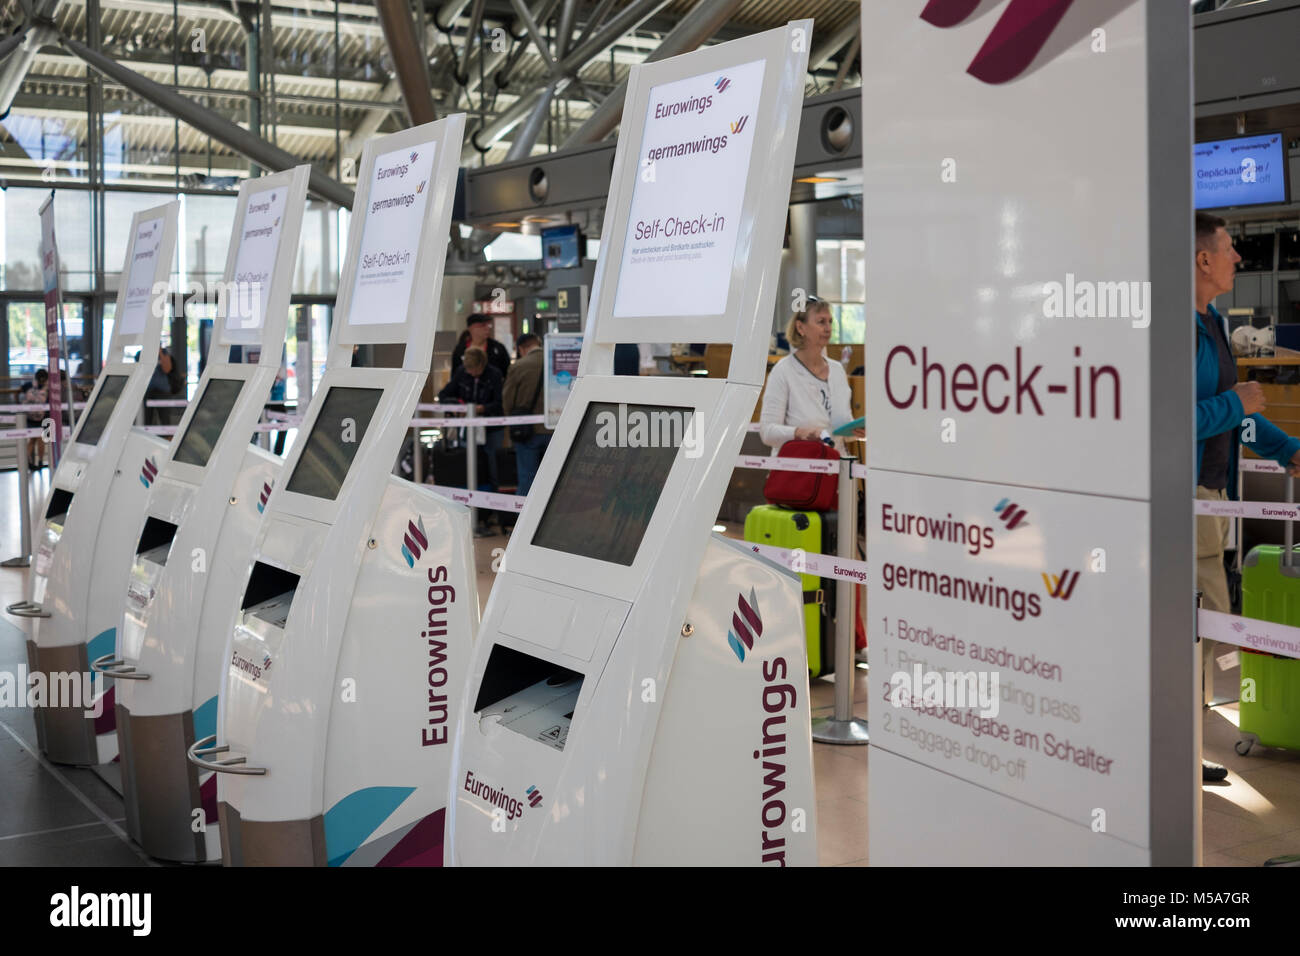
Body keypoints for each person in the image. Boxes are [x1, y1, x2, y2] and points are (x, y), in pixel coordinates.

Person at [1194, 211, 1300, 782]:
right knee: (1202, 626)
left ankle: (1174, 750)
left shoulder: (1211, 322)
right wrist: (1237, 404)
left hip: (1210, 496)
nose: (1240, 257)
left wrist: (1284, 448)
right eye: (1230, 248)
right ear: (1202, 259)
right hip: (1181, 500)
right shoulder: (1177, 329)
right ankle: (1169, 755)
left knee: (1205, 629)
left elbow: (1234, 417)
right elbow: (1163, 423)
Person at [759, 296, 863, 451]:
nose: (828, 328)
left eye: (830, 322)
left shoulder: (837, 370)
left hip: (835, 466)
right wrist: (799, 433)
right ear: (800, 328)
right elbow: (767, 432)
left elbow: (843, 428)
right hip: (799, 468)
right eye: (821, 322)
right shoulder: (783, 370)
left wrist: (856, 431)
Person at [438, 346, 505, 536]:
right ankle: (471, 509)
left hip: (491, 429)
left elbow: (500, 404)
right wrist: (459, 407)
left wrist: (481, 409)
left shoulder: (494, 374)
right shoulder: (462, 373)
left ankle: (492, 511)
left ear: (482, 364)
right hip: (468, 430)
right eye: (468, 370)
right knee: (470, 468)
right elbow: (444, 394)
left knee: (492, 469)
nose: (471, 373)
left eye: (474, 370)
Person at [502, 333, 553, 500]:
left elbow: (508, 400)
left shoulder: (518, 366)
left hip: (526, 431)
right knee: (553, 478)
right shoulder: (556, 361)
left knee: (527, 478)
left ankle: (524, 521)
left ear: (521, 349)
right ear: (538, 343)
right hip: (555, 429)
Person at [452, 314, 511, 379]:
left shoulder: (498, 349)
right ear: (471, 328)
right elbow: (455, 376)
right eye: (482, 325)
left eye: (488, 325)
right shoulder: (460, 350)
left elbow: (508, 373)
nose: (487, 328)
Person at [144, 346, 184, 426]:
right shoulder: (142, 353)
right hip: (147, 391)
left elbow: (167, 369)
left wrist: (160, 352)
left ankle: (167, 437)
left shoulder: (164, 353)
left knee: (165, 420)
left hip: (162, 391)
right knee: (147, 420)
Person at [20, 369, 50, 469]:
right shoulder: (48, 387)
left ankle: (28, 461)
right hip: (43, 416)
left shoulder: (28, 385)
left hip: (30, 416)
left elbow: (18, 392)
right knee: (41, 440)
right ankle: (41, 461)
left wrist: (18, 404)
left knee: (32, 440)